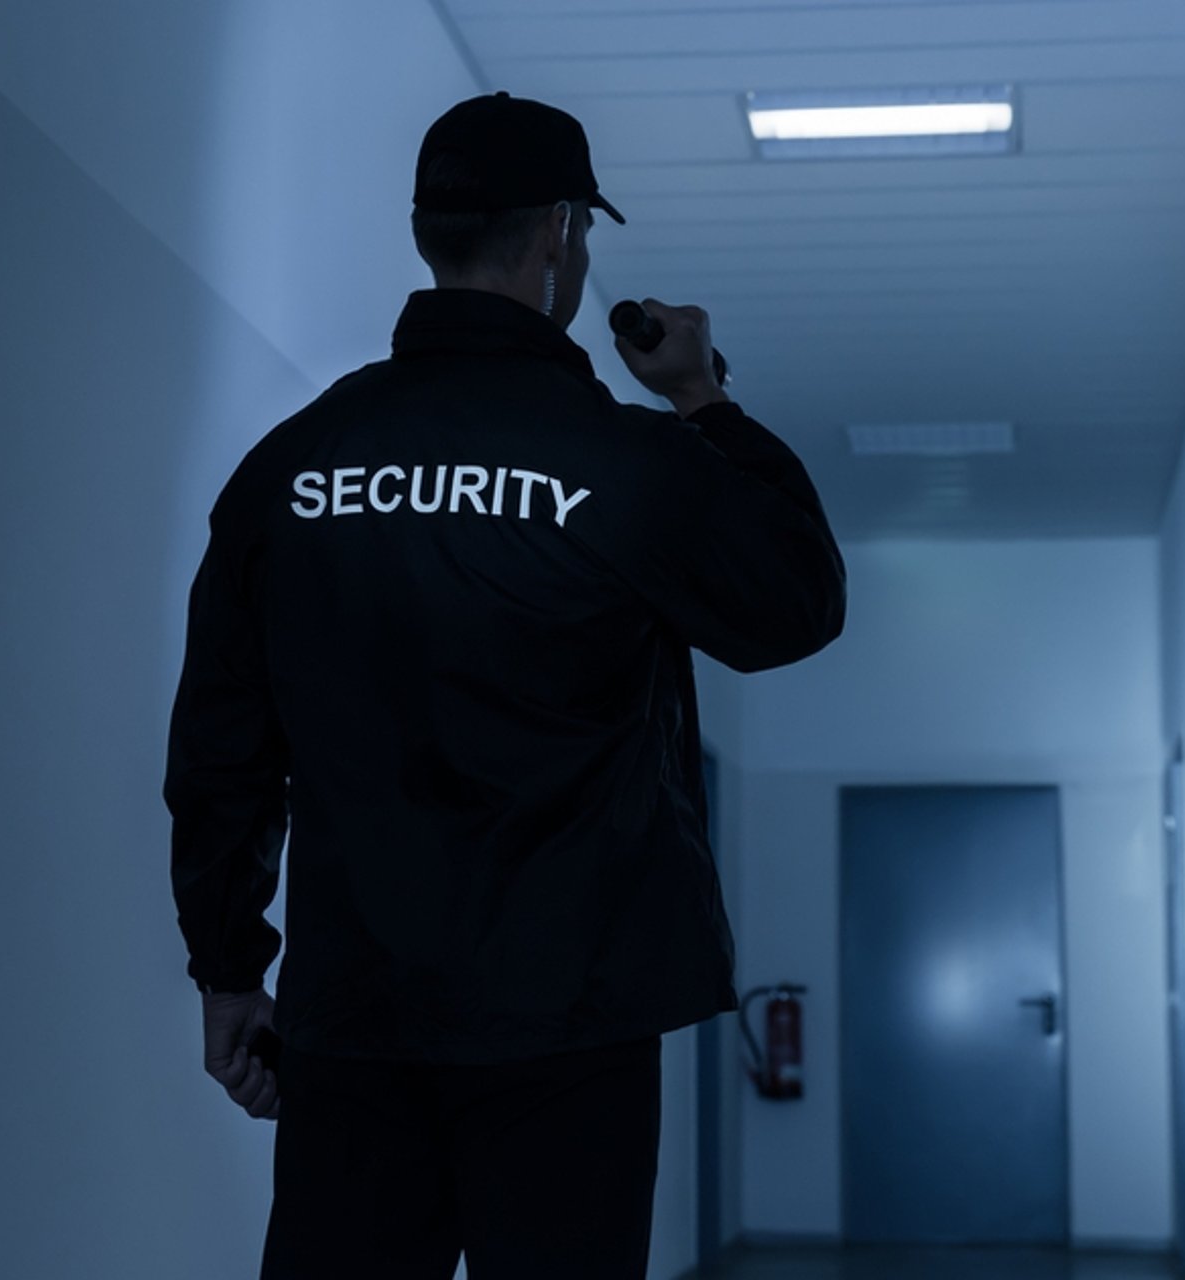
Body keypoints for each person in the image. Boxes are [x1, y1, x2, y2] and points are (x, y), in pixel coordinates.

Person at [164, 90, 846, 1279]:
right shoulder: (626, 463)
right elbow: (794, 602)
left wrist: (229, 967)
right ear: (561, 237)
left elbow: (223, 747)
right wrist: (702, 399)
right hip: (568, 1021)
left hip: (354, 1016)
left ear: (430, 232)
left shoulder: (289, 469)